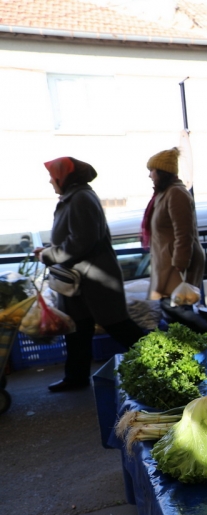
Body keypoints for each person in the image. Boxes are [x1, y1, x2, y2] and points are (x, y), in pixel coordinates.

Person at [36, 157, 146, 391]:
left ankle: (162, 358)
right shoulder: (74, 197)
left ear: (64, 177)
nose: (49, 181)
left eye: (52, 176)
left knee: (119, 327)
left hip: (95, 280)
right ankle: (75, 378)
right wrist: (48, 250)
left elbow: (81, 242)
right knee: (77, 330)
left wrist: (49, 255)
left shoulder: (80, 198)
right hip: (81, 280)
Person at [144, 148, 205, 300]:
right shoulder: (164, 194)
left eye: (152, 171)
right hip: (167, 265)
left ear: (162, 172)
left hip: (177, 267)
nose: (149, 175)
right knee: (171, 312)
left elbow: (184, 233)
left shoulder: (176, 194)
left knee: (180, 312)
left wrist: (181, 264)